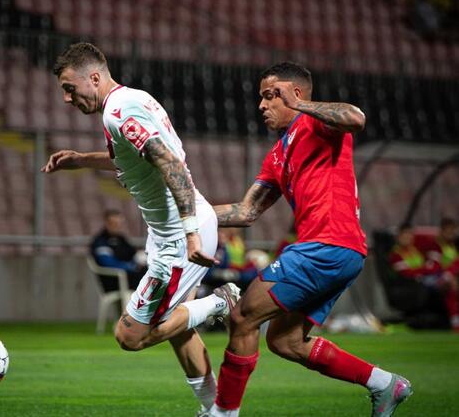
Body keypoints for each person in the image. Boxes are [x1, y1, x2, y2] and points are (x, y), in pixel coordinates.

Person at [41, 42, 240, 414]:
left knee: (129, 336)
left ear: (94, 78)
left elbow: (172, 165)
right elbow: (133, 158)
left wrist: (191, 233)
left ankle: (220, 301)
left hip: (178, 237)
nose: (67, 98)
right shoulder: (133, 100)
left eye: (70, 88)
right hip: (173, 231)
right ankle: (218, 411)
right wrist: (81, 160)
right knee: (178, 329)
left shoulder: (119, 113)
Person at [207, 62, 412, 417]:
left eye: (270, 96)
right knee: (285, 341)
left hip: (327, 246)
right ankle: (384, 384)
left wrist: (300, 105)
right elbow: (246, 212)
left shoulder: (317, 123)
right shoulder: (276, 155)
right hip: (338, 252)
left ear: (295, 93)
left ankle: (222, 413)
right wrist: (187, 215)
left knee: (243, 317)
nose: (261, 105)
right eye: (261, 98)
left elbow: (355, 117)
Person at [90, 209, 146, 289]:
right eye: (113, 223)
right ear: (106, 223)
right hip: (113, 280)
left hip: (129, 276)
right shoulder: (100, 241)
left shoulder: (121, 239)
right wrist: (132, 266)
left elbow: (133, 254)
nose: (117, 226)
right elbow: (108, 263)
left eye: (119, 224)